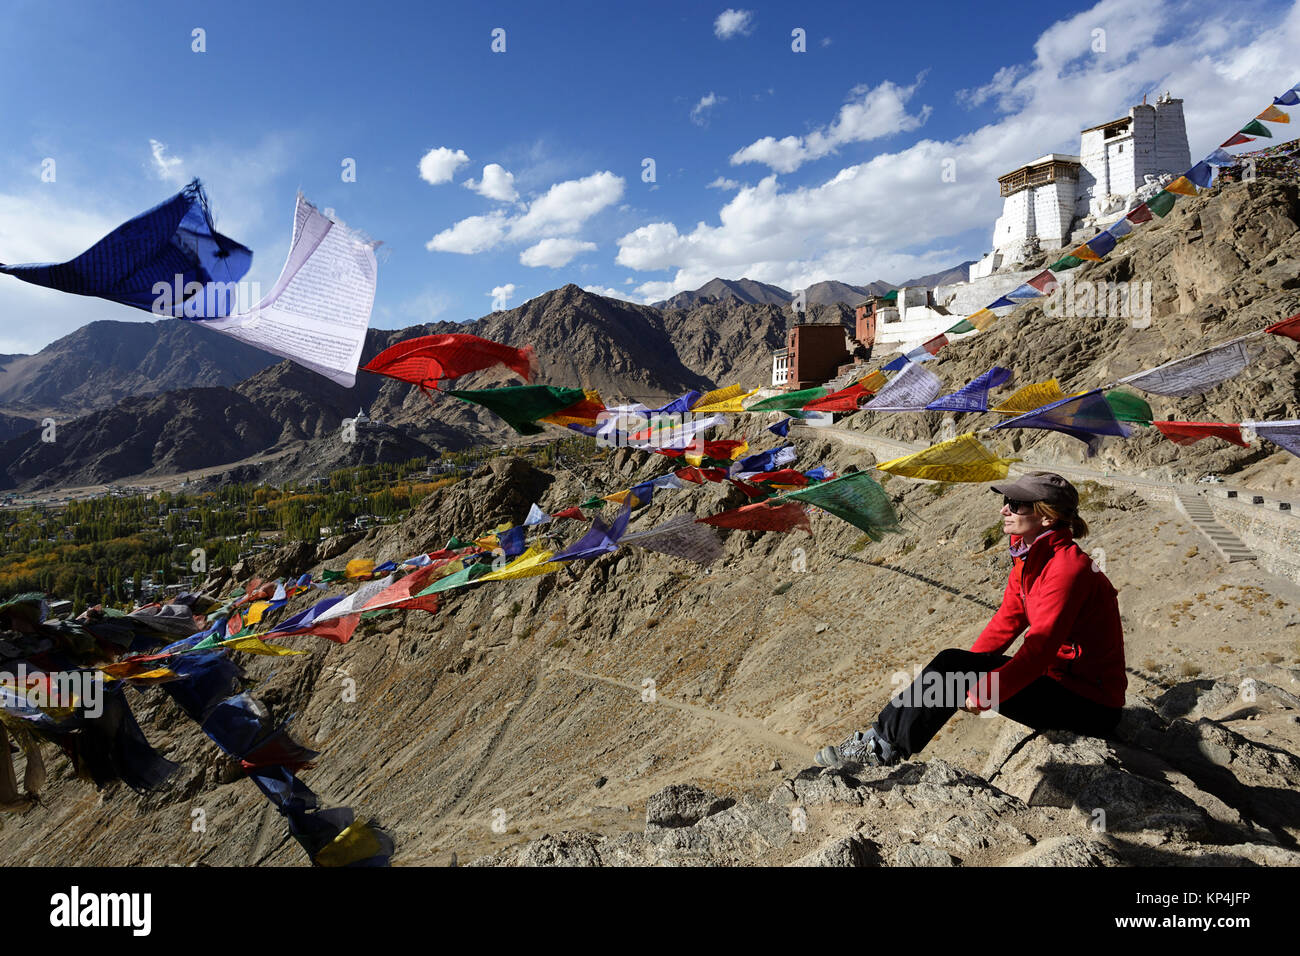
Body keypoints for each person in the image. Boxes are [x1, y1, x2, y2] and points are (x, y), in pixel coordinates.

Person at [815, 471, 1127, 769]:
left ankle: (881, 750)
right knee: (953, 662)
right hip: (1059, 685)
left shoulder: (1067, 569)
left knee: (953, 666)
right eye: (1006, 501)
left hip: (1090, 706)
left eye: (1017, 504)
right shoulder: (1029, 559)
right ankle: (878, 741)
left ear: (1047, 516)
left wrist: (986, 687)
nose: (1005, 509)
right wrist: (967, 672)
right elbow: (1007, 621)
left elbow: (1039, 650)